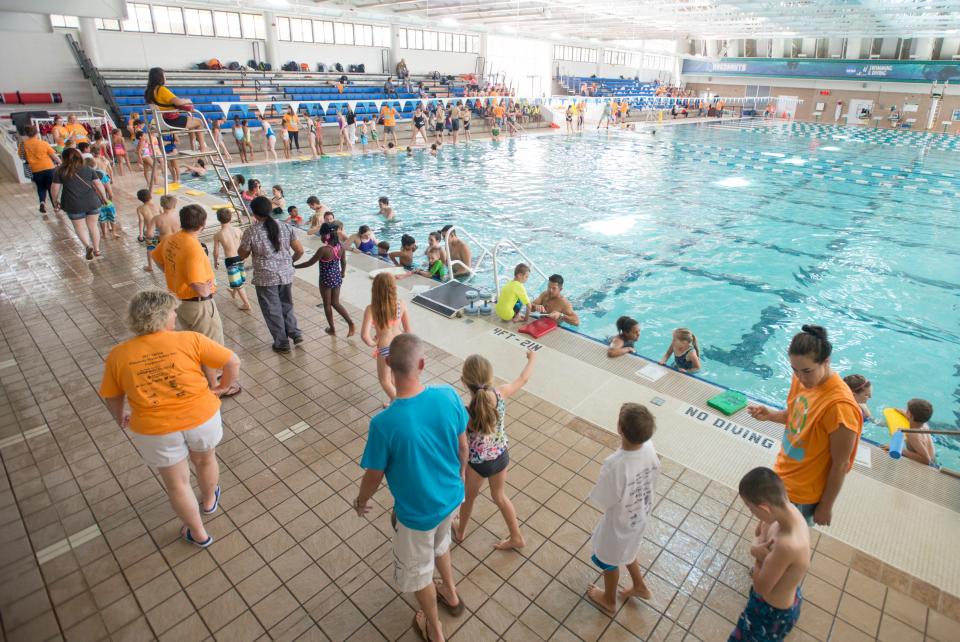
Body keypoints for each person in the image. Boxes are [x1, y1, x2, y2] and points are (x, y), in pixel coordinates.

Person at [99, 290, 241, 549]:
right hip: (201, 416)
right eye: (173, 311)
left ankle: (198, 533)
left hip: (155, 430)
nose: (176, 314)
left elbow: (113, 395)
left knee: (177, 483)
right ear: (162, 317)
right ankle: (209, 501)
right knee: (205, 459)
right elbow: (232, 361)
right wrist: (222, 387)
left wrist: (120, 417)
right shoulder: (190, 340)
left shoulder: (118, 355)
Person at [353, 334, 467, 642]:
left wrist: (361, 500)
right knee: (441, 544)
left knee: (419, 574)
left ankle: (435, 629)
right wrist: (458, 480)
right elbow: (463, 448)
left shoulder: (384, 424)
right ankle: (452, 595)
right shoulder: (449, 397)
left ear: (388, 365)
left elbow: (374, 476)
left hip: (417, 516)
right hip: (452, 499)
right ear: (422, 364)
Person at [747, 325, 862, 526]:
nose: (800, 377)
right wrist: (771, 415)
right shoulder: (801, 378)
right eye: (794, 370)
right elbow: (798, 419)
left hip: (804, 493)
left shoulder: (840, 408)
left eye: (807, 371)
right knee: (769, 531)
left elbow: (840, 464)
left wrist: (826, 506)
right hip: (782, 474)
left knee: (787, 546)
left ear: (826, 362)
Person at [152, 205, 238, 395]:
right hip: (198, 304)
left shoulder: (171, 239)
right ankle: (221, 388)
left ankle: (212, 383)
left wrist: (173, 275)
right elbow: (197, 283)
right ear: (203, 224)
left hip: (179, 302)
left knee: (200, 344)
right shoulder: (194, 249)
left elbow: (157, 257)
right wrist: (206, 291)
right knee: (212, 346)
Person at [454, 351, 535, 550]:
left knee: (468, 498)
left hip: (478, 464)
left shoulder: (466, 411)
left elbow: (462, 446)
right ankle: (517, 537)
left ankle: (461, 531)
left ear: (464, 381)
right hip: (500, 456)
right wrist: (532, 358)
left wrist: (460, 469)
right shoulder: (501, 393)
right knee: (499, 496)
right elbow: (523, 378)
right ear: (490, 377)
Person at [585, 402, 659, 615]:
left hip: (620, 523)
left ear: (619, 428)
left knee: (608, 559)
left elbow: (605, 500)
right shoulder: (649, 447)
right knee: (628, 550)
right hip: (640, 516)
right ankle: (639, 586)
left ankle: (609, 600)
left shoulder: (615, 464)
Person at [730, 467, 809, 642]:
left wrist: (758, 555)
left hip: (772, 613)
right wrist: (755, 548)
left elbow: (760, 587)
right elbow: (759, 531)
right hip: (788, 594)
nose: (752, 514)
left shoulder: (786, 545)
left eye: (751, 509)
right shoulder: (786, 509)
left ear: (764, 507)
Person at [238, 196, 305, 353]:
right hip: (286, 274)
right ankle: (295, 333)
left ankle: (281, 343)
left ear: (254, 214)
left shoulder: (251, 231)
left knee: (272, 309)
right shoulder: (285, 227)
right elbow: (300, 250)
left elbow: (242, 255)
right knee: (286, 304)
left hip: (265, 277)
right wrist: (289, 262)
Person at [294, 222, 355, 337]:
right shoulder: (340, 246)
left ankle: (332, 329)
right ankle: (351, 323)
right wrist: (343, 272)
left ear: (326, 236)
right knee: (336, 303)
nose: (320, 237)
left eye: (321, 235)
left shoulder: (323, 250)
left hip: (325, 279)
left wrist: (294, 266)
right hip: (337, 277)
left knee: (327, 304)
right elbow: (343, 261)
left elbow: (309, 263)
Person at [360, 273, 412, 402]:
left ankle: (400, 406)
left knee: (385, 380)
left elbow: (365, 336)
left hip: (385, 348)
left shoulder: (371, 309)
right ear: (393, 288)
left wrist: (374, 343)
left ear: (375, 289)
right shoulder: (401, 304)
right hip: (401, 345)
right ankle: (396, 401)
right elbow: (408, 330)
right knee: (396, 378)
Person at [51, 148, 106, 260]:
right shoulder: (88, 169)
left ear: (64, 158)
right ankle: (97, 249)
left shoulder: (60, 170)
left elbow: (54, 188)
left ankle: (87, 246)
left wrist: (55, 200)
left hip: (73, 204)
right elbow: (99, 184)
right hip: (92, 202)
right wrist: (104, 197)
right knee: (93, 226)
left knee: (80, 227)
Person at [144, 67, 205, 151]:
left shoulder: (149, 92)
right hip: (172, 121)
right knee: (199, 122)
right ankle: (203, 147)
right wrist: (187, 100)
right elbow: (178, 102)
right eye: (164, 75)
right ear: (159, 77)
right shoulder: (161, 89)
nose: (165, 78)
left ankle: (194, 147)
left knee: (191, 122)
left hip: (161, 122)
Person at [212, 209, 252, 312]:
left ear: (219, 220)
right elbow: (246, 243)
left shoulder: (218, 234)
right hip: (240, 257)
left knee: (238, 284)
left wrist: (215, 261)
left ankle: (246, 304)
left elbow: (215, 251)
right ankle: (233, 292)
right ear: (230, 218)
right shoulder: (238, 230)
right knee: (239, 278)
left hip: (231, 260)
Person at [21, 125, 59, 214]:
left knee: (41, 187)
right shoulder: (43, 143)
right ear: (37, 133)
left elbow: (21, 156)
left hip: (35, 169)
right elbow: (53, 156)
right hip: (49, 168)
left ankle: (42, 202)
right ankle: (55, 206)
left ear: (27, 134)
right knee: (51, 188)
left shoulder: (23, 145)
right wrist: (60, 162)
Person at [886, 399, 935, 465]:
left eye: (907, 411)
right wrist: (903, 413)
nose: (905, 411)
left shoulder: (912, 434)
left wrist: (899, 449)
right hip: (933, 458)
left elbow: (926, 460)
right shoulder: (924, 425)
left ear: (911, 416)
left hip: (926, 464)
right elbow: (912, 417)